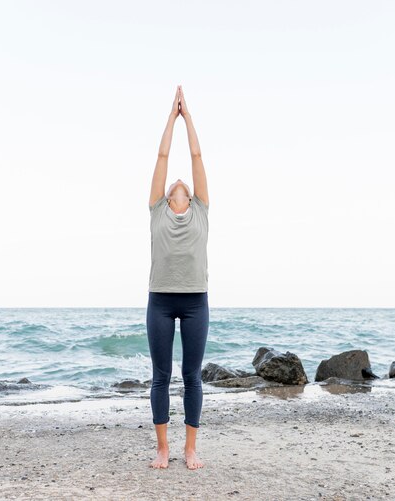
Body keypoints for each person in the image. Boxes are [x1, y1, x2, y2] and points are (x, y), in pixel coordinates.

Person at [146, 85, 210, 470]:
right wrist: (171, 116)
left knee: (192, 376)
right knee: (160, 376)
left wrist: (190, 119)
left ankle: (190, 449)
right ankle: (163, 448)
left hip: (195, 300)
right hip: (161, 299)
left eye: (184, 182)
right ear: (170, 196)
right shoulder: (157, 209)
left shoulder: (202, 208)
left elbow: (196, 155)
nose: (180, 180)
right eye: (174, 183)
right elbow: (163, 155)